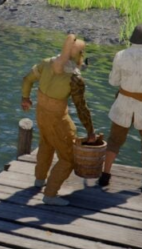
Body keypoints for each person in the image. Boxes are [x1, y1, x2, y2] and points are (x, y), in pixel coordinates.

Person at [21, 33, 95, 206]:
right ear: (78, 55)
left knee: (46, 144)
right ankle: (50, 194)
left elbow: (27, 79)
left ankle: (39, 180)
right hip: (57, 119)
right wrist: (90, 131)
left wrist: (25, 98)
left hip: (41, 113)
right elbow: (81, 108)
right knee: (68, 157)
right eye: (82, 52)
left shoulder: (46, 63)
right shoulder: (75, 79)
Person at [102, 23, 142, 192]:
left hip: (123, 104)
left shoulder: (120, 55)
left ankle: (105, 175)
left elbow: (113, 82)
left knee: (114, 141)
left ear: (133, 39)